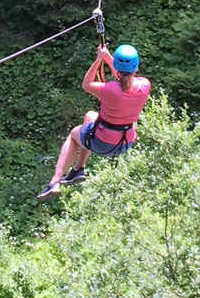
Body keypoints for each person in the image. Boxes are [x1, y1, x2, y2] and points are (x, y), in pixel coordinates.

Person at [37, 43, 151, 201]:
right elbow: (123, 78)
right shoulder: (144, 86)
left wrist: (98, 60)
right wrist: (107, 56)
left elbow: (86, 84)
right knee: (90, 116)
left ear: (118, 67)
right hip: (125, 142)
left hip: (102, 143)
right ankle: (79, 169)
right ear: (136, 67)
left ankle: (55, 181)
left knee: (73, 134)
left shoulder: (109, 89)